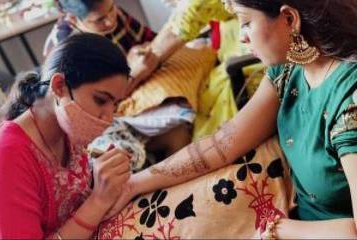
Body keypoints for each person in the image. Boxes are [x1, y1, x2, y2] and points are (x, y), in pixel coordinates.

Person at [104, 0, 357, 238]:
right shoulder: (290, 69)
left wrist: (278, 228)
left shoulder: (348, 101)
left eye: (246, 22)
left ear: (289, 19)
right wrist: (134, 183)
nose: (242, 36)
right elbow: (224, 142)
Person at [0, 33, 132, 238]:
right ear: (59, 86)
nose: (108, 118)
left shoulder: (67, 130)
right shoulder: (8, 155)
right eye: (100, 100)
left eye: (115, 105)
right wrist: (99, 200)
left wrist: (105, 179)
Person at [129, 0, 264, 141]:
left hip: (249, 67)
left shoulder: (195, 6)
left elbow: (152, 57)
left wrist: (131, 79)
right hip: (235, 55)